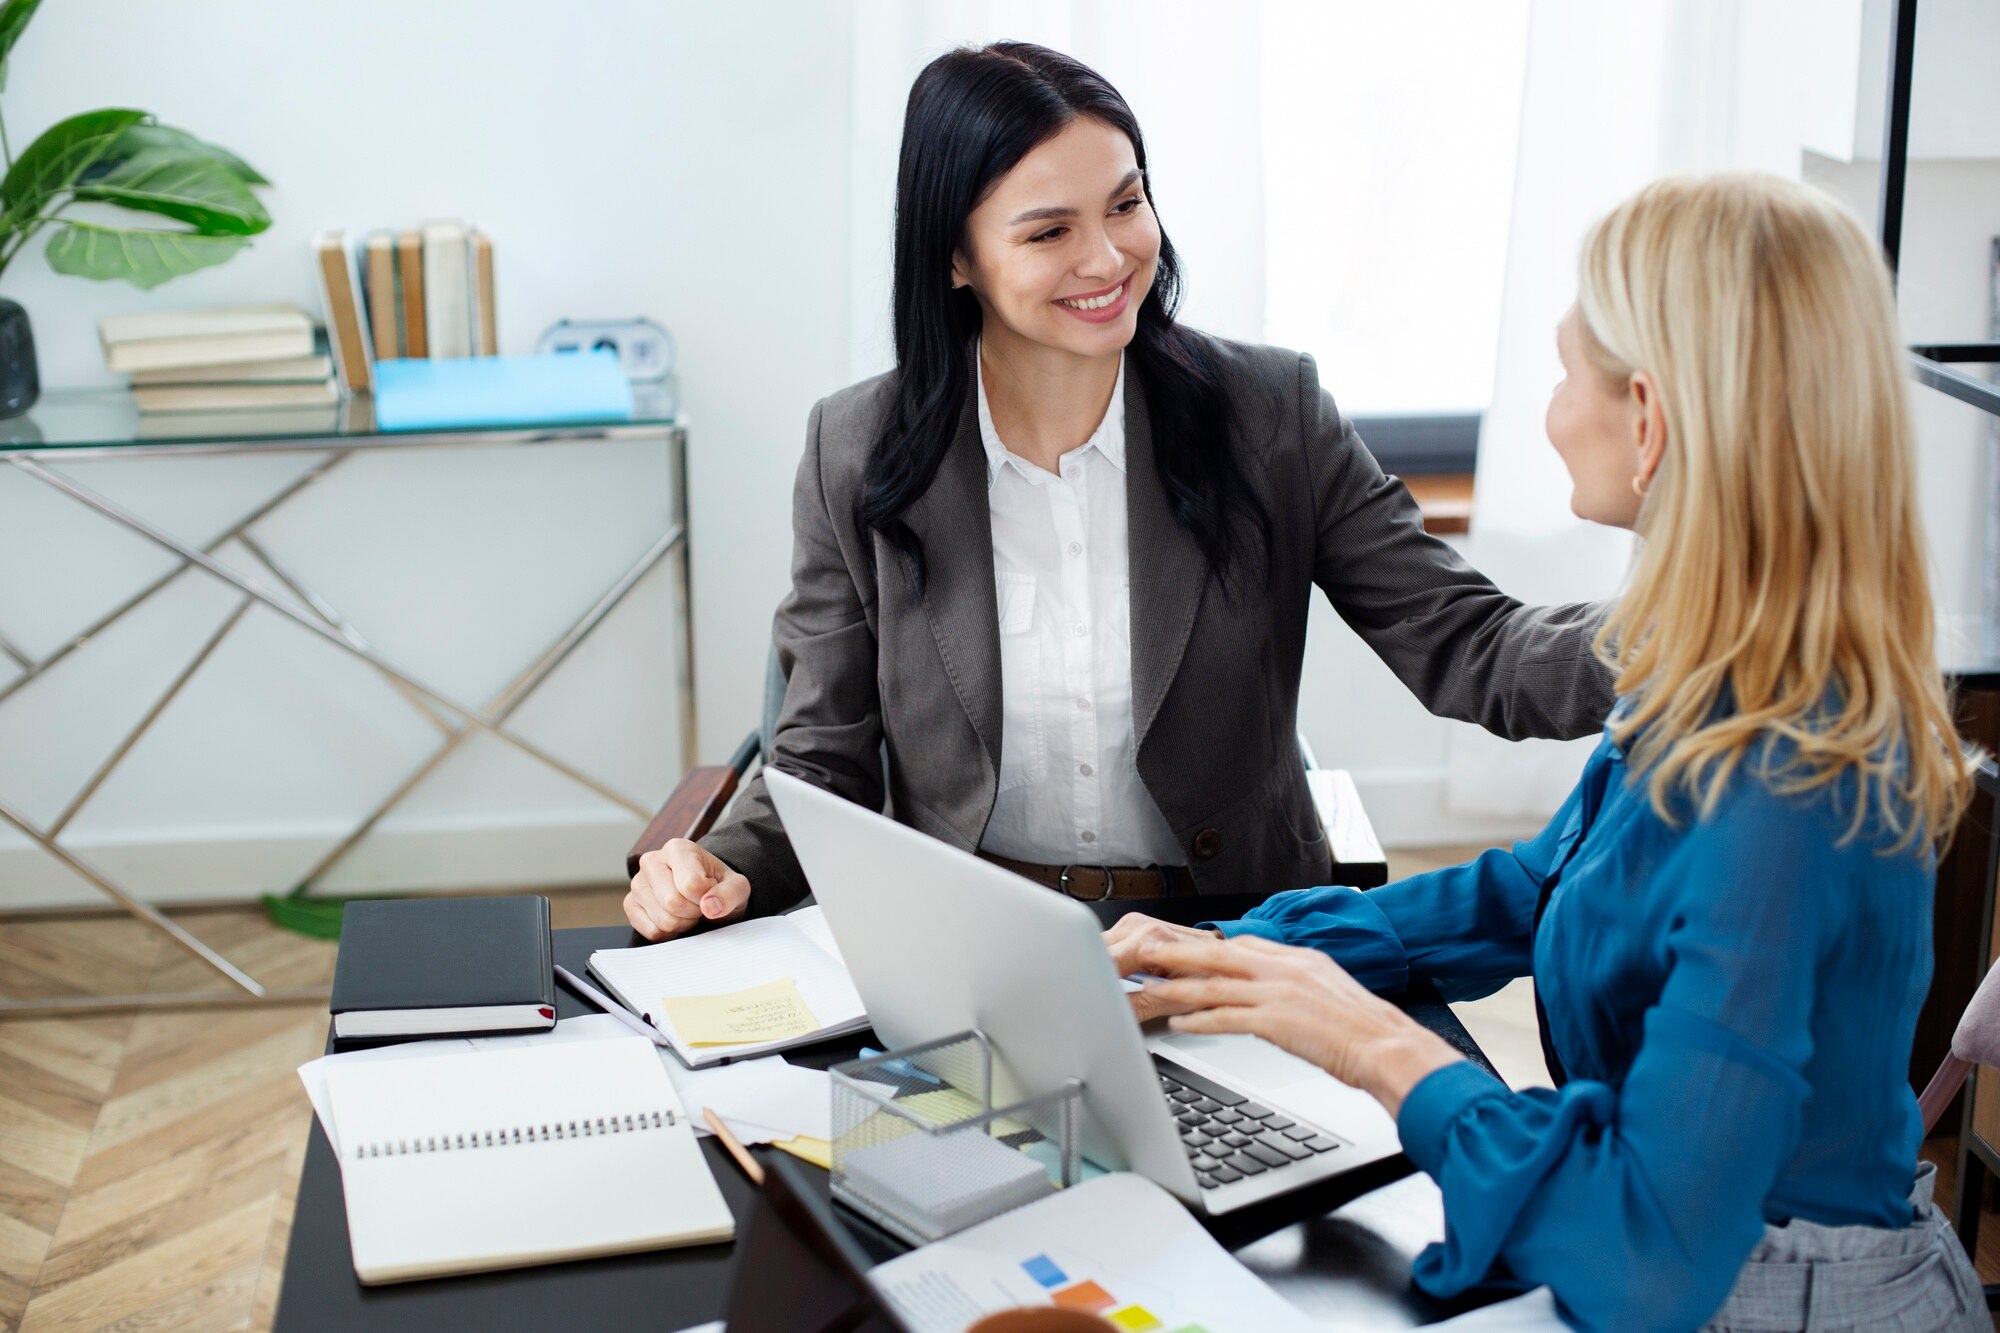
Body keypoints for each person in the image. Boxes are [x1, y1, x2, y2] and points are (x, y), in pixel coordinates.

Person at [1105, 172, 1983, 1330]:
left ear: (1648, 417)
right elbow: (1542, 889)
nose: (1550, 412)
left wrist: (1370, 1043)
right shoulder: (1719, 672)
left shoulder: (1786, 783)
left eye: (1565, 371)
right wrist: (1238, 957)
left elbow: (1651, 1251)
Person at [625, 42, 1613, 942]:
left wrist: (1701, 633)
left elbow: (1468, 644)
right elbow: (818, 762)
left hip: (1236, 932)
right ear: (956, 256)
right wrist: (718, 867)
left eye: (1125, 203)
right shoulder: (856, 447)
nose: (1106, 259)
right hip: (976, 940)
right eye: (1049, 229)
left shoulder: (1268, 413)